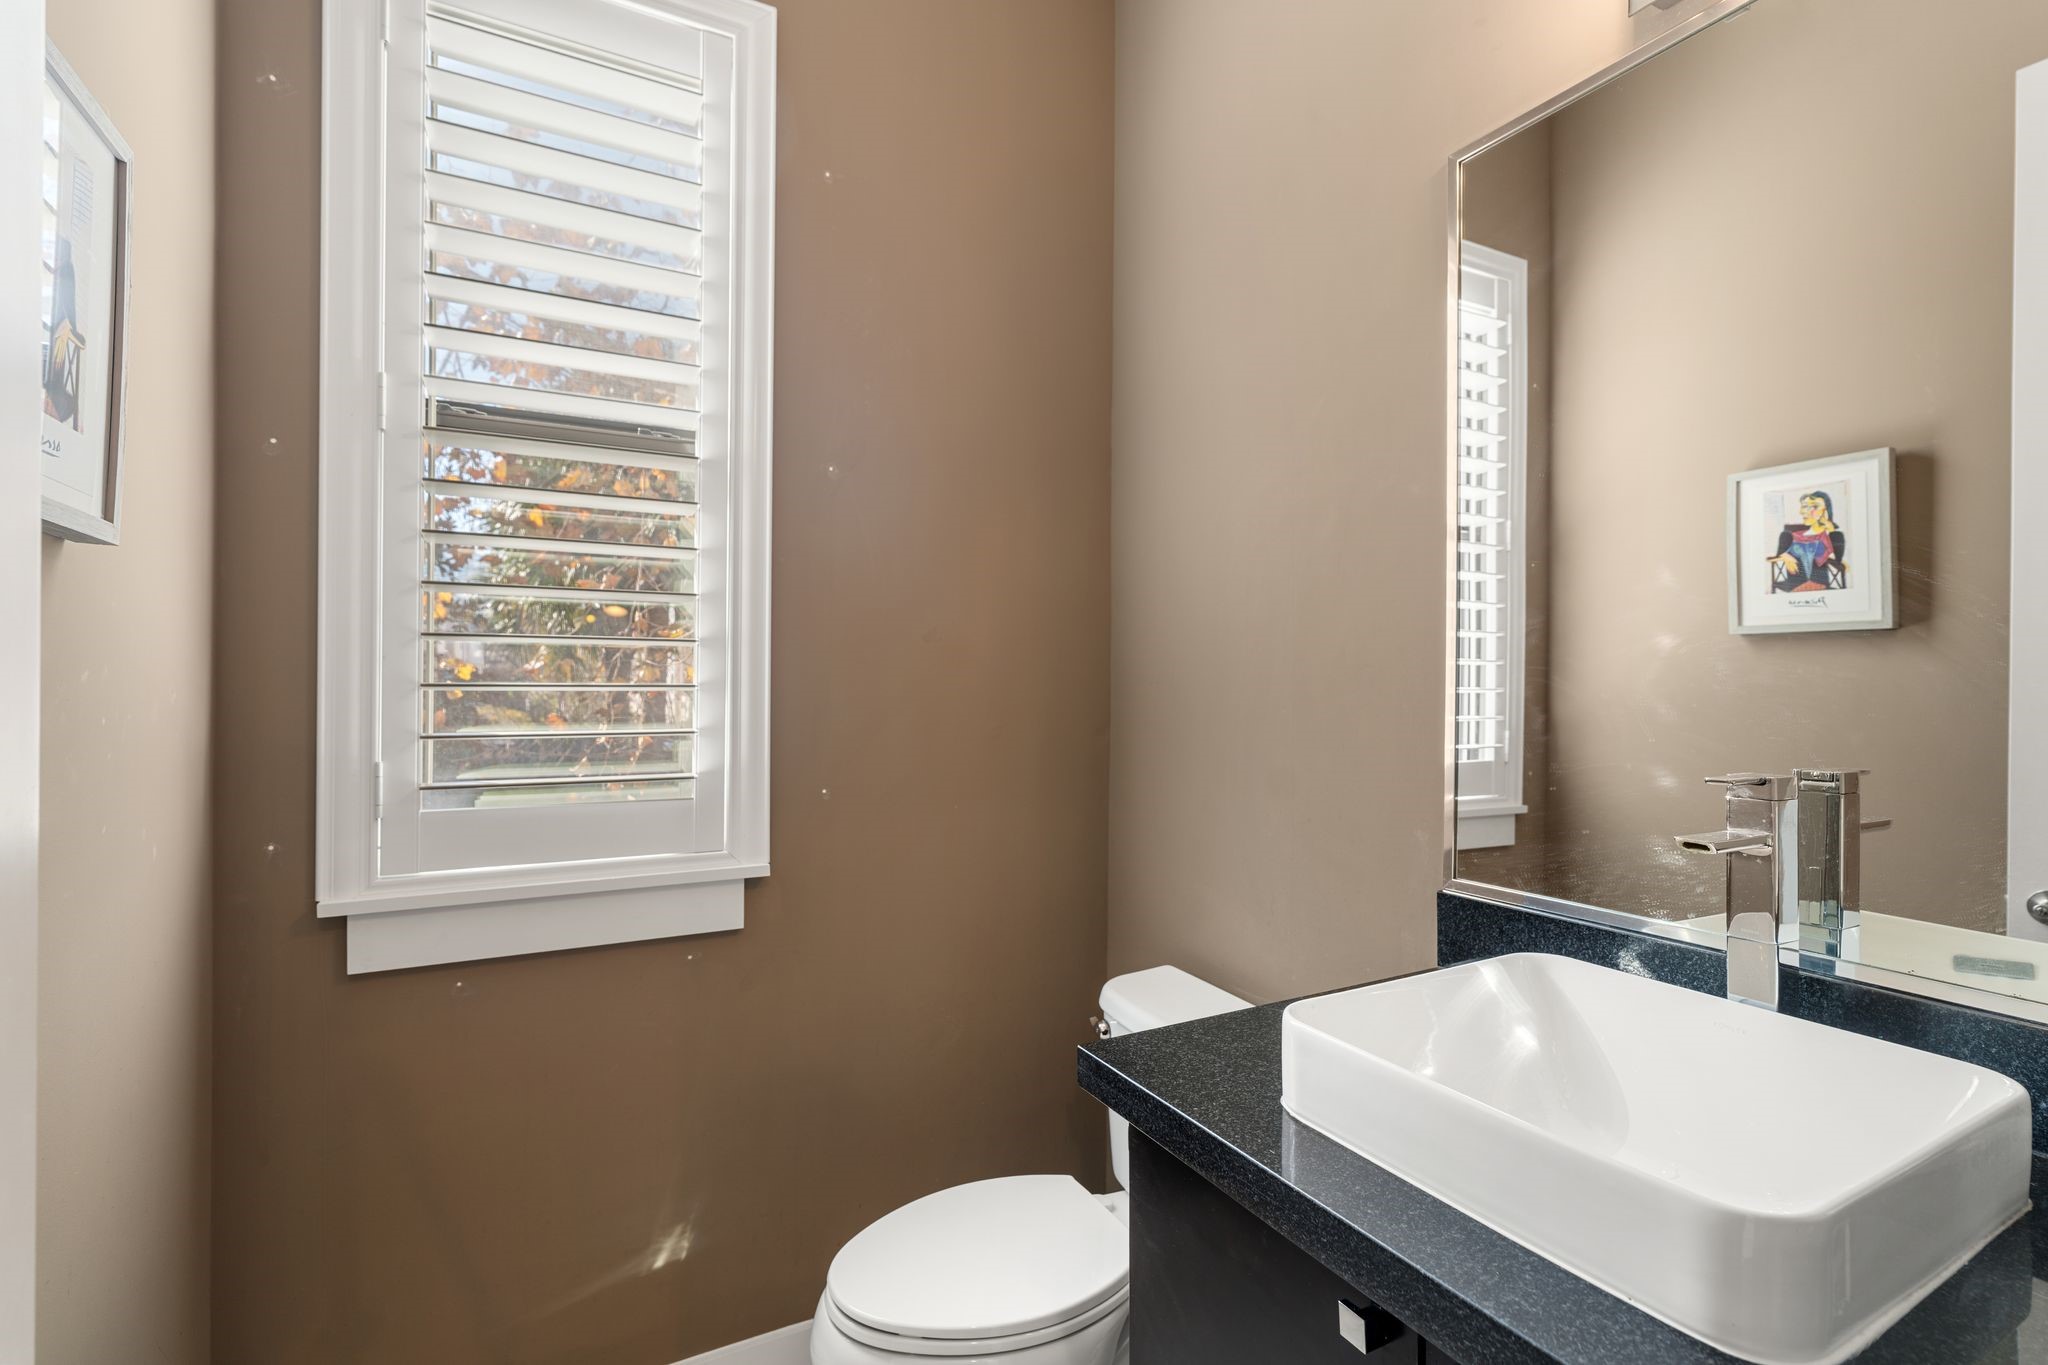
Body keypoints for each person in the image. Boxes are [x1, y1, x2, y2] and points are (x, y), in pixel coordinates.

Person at [1771, 491, 1846, 592]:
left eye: (1815, 507)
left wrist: (1830, 528)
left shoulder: (1833, 536)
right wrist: (1785, 556)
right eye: (1805, 506)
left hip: (1820, 585)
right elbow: (1777, 555)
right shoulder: (1790, 535)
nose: (1805, 511)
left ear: (1826, 511)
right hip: (1794, 585)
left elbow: (1837, 561)